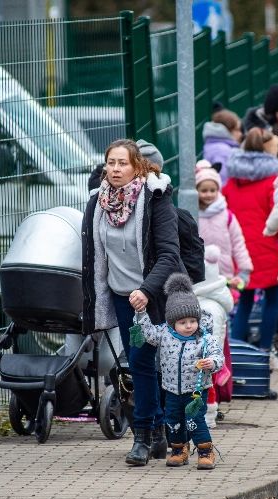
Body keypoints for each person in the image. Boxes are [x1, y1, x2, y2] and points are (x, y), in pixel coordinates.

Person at [81, 139, 181, 467]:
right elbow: (93, 254)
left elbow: (169, 254)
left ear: (137, 166)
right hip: (123, 297)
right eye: (111, 162)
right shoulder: (98, 202)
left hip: (155, 296)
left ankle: (150, 433)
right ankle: (153, 433)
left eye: (122, 163)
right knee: (139, 365)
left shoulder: (155, 199)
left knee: (151, 362)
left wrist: (147, 290)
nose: (115, 169)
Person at [135, 273, 223, 470]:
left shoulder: (204, 339)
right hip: (172, 389)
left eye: (192, 321)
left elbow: (218, 356)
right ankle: (178, 449)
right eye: (183, 322)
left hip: (196, 391)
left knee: (194, 420)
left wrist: (212, 362)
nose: (189, 326)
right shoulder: (164, 334)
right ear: (172, 322)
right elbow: (148, 334)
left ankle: (205, 451)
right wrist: (141, 315)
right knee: (173, 420)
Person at [223, 128, 278, 368]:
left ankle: (238, 351)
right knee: (275, 297)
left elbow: (225, 211)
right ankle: (264, 351)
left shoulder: (231, 181)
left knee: (245, 299)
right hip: (267, 246)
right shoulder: (273, 180)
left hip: (239, 249)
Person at [193, 246, 235, 428]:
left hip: (204, 357)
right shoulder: (218, 302)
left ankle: (208, 418)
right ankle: (207, 415)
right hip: (211, 355)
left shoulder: (207, 308)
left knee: (205, 386)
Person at [195, 160, 252, 289]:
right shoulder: (192, 216)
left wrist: (244, 269)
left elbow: (238, 243)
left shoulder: (227, 216)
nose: (209, 194)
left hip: (225, 275)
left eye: (212, 190)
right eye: (204, 190)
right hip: (201, 275)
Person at [202, 109, 242, 185]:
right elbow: (223, 180)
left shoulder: (214, 145)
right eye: (237, 130)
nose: (240, 134)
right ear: (227, 131)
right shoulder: (222, 151)